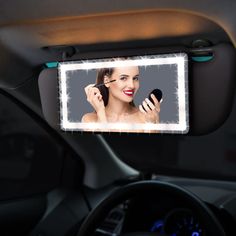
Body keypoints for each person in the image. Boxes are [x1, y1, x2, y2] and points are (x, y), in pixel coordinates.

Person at [81, 62, 161, 125]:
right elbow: (101, 145)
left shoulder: (146, 118)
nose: (132, 85)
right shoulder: (89, 120)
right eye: (123, 78)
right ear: (106, 81)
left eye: (135, 78)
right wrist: (101, 113)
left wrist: (152, 125)